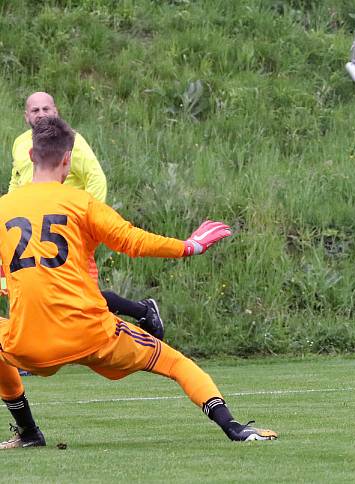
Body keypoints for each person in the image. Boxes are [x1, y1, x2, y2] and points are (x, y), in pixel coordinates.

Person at [0, 117, 277, 448]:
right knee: (175, 363)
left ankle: (29, 432)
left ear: (30, 155)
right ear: (67, 159)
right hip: (91, 334)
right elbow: (131, 240)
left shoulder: (4, 208)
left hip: (29, 344)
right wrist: (187, 247)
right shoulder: (81, 203)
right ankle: (233, 427)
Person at [7, 92, 163, 340]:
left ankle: (137, 319)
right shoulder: (20, 143)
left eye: (46, 109)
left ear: (56, 111)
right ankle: (29, 348)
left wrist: (88, 223)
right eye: (35, 110)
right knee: (31, 286)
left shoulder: (72, 143)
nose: (41, 114)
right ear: (26, 116)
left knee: (75, 293)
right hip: (28, 229)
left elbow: (96, 179)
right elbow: (16, 181)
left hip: (62, 230)